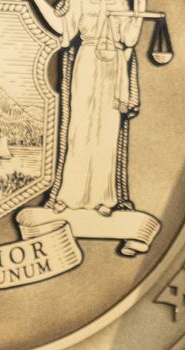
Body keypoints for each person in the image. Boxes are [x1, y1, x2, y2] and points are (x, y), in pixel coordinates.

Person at [29, 0, 142, 213]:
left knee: (108, 131)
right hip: (87, 62)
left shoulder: (122, 3)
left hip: (114, 68)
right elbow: (63, 28)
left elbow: (129, 39)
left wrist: (140, 9)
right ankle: (69, 196)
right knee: (79, 130)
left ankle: (105, 199)